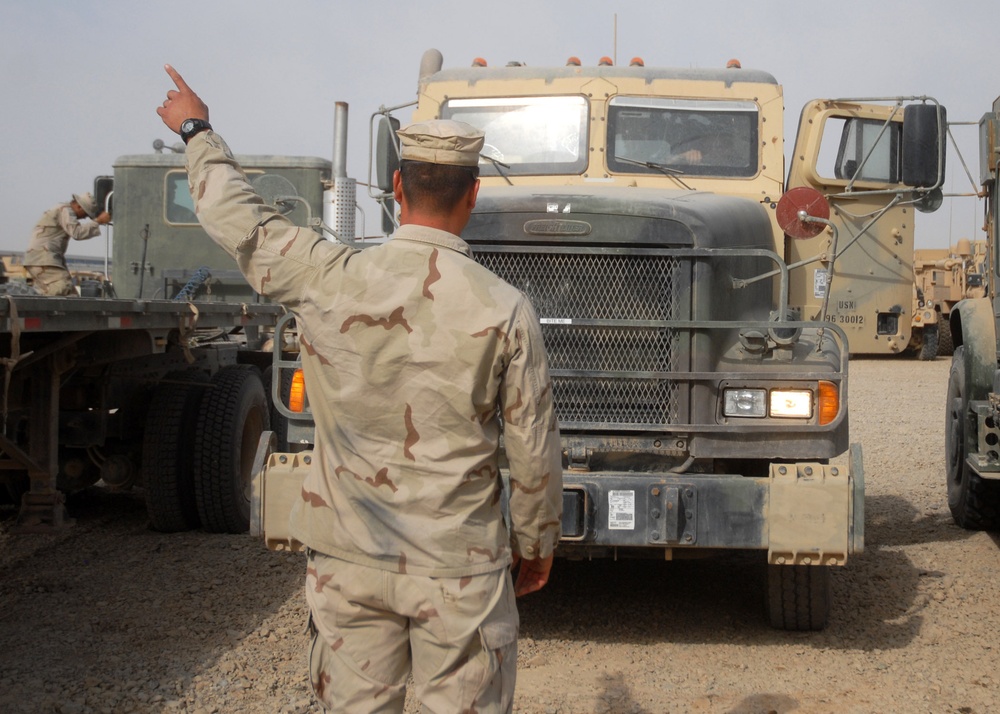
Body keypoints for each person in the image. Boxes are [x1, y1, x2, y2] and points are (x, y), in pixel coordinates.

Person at [156, 65, 563, 713]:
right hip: (457, 565)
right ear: (474, 193)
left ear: (396, 187)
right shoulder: (505, 308)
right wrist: (536, 546)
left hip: (349, 556)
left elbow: (240, 219)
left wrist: (196, 128)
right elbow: (534, 451)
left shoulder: (327, 276)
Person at [24, 192, 110, 296]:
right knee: (63, 288)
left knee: (70, 294)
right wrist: (98, 221)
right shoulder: (65, 210)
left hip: (42, 258)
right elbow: (77, 233)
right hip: (43, 258)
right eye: (85, 214)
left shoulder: (62, 209)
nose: (83, 218)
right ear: (79, 206)